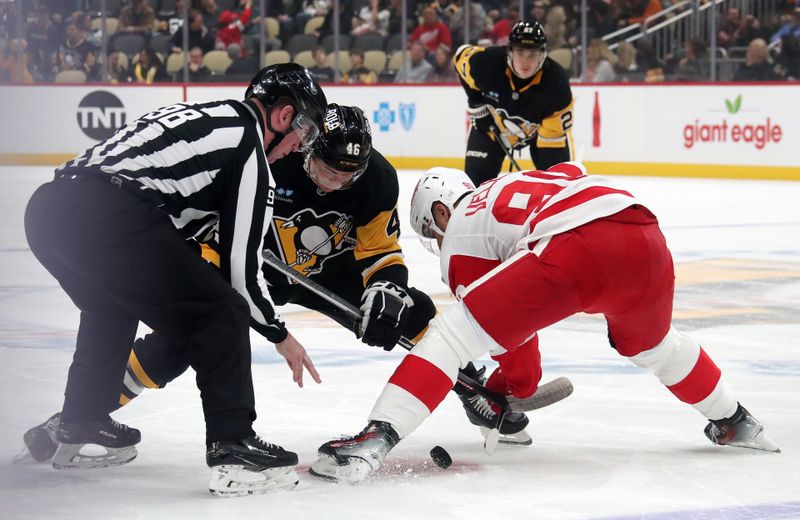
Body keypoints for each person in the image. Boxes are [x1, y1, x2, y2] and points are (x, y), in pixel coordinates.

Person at [18, 104, 531, 472]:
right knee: (189, 336)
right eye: (329, 169)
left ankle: (475, 388)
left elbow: (379, 251)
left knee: (408, 312)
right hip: (247, 261)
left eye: (347, 176)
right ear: (308, 150)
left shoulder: (376, 179)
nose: (336, 182)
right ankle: (82, 414)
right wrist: (217, 279)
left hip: (325, 274)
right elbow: (217, 226)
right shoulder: (273, 157)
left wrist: (386, 288)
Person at [310, 163, 781, 482]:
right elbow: (571, 171)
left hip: (578, 242)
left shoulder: (458, 239)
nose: (438, 240)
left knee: (450, 336)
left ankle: (373, 440)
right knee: (656, 348)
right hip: (644, 232)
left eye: (432, 229)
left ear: (439, 212)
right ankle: (734, 420)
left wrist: (501, 396)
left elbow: (519, 354)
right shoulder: (516, 180)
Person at [21, 63, 328, 497]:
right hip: (107, 214)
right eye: (307, 133)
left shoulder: (204, 115)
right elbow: (240, 272)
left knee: (109, 309)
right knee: (222, 310)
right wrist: (279, 333)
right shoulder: (248, 148)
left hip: (49, 210)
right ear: (283, 116)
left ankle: (81, 419)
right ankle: (233, 443)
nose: (300, 148)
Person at [453, 20, 574, 186]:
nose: (525, 61)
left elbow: (551, 146)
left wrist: (551, 182)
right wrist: (475, 103)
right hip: (491, 127)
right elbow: (460, 56)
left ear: (543, 54)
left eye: (532, 54)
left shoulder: (556, 84)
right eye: (520, 52)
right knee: (474, 186)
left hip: (540, 134)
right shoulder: (488, 62)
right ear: (509, 51)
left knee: (557, 185)